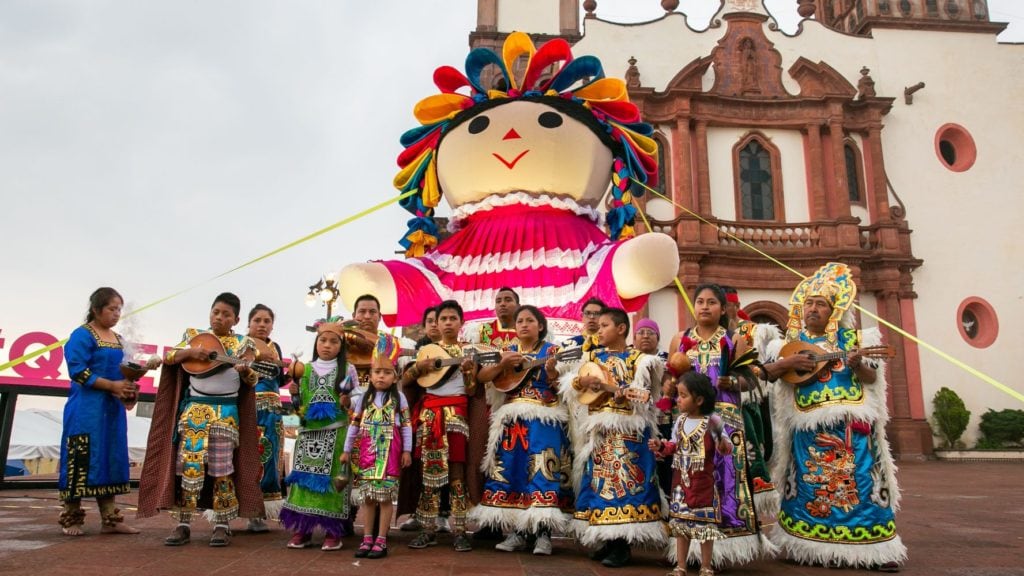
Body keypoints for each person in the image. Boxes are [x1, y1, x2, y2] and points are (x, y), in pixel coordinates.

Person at [760, 262, 905, 571]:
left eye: (821, 304)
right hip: (807, 433)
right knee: (808, 489)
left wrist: (857, 365)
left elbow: (870, 379)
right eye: (809, 303)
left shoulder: (857, 340)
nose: (813, 309)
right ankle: (806, 546)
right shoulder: (787, 347)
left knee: (862, 488)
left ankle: (874, 550)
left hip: (852, 431)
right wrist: (790, 364)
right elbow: (771, 376)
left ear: (834, 310)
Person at [138, 292, 264, 547]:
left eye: (226, 314)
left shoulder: (244, 343)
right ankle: (183, 524)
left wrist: (245, 370)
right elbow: (170, 357)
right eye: (216, 312)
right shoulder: (194, 336)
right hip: (194, 411)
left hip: (225, 415)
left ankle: (222, 525)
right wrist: (192, 352)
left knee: (222, 470)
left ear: (236, 320)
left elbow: (253, 379)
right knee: (188, 467)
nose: (219, 317)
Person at [667, 284, 775, 567]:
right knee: (690, 480)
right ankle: (690, 550)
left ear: (723, 308)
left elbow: (751, 380)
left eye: (711, 302)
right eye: (700, 301)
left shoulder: (734, 339)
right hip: (690, 423)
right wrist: (669, 386)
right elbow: (670, 378)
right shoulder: (680, 339)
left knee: (725, 480)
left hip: (724, 420)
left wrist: (733, 382)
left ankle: (724, 549)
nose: (705, 307)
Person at [471, 305, 574, 556]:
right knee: (513, 471)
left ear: (541, 326)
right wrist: (502, 364)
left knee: (543, 470)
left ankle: (542, 534)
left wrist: (552, 373)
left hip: (544, 420)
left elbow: (566, 388)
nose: (524, 324)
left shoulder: (553, 351)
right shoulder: (508, 351)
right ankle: (517, 531)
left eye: (530, 320)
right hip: (512, 422)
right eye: (520, 321)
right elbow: (483, 377)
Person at [568, 307, 665, 568]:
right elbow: (574, 387)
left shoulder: (640, 360)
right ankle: (608, 540)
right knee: (599, 484)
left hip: (628, 434)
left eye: (604, 326)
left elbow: (646, 397)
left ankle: (622, 544)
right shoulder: (592, 357)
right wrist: (582, 382)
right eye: (598, 326)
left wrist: (623, 396)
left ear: (621, 329)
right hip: (599, 433)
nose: (598, 330)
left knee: (625, 485)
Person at [58, 287, 157, 536]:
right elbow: (78, 371)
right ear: (96, 309)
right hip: (86, 408)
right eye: (112, 309)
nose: (116, 314)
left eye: (119, 309)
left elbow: (123, 371)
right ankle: (72, 517)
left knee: (111, 457)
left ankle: (111, 518)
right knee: (81, 458)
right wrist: (112, 386)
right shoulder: (82, 335)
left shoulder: (119, 339)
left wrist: (130, 386)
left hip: (111, 410)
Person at [404, 300, 478, 552]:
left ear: (461, 322)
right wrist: (418, 367)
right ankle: (428, 529)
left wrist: (468, 373)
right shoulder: (427, 352)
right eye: (443, 319)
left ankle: (460, 531)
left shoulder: (469, 351)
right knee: (429, 474)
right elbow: (406, 380)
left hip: (457, 416)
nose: (447, 323)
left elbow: (472, 391)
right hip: (429, 416)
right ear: (436, 323)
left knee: (457, 473)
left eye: (452, 318)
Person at [280, 319, 358, 551]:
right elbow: (297, 406)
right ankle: (302, 530)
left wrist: (349, 401)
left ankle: (333, 532)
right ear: (316, 343)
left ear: (341, 346)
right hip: (308, 434)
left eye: (333, 341)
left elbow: (358, 398)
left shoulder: (348, 370)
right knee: (303, 482)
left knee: (333, 482)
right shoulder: (303, 369)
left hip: (336, 433)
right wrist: (294, 394)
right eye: (323, 340)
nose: (327, 345)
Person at [650, 372, 733, 576]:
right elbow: (674, 445)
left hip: (704, 482)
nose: (678, 399)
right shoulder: (680, 421)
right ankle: (681, 566)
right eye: (678, 395)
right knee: (681, 526)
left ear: (699, 400)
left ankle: (706, 566)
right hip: (681, 482)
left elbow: (725, 447)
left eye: (683, 395)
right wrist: (661, 446)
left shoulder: (712, 421)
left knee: (705, 528)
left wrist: (722, 443)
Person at [342, 333, 414, 559]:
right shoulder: (364, 398)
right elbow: (354, 425)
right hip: (367, 451)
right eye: (377, 372)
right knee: (368, 497)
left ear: (395, 376)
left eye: (386, 372)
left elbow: (407, 426)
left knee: (385, 497)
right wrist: (346, 450)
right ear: (371, 375)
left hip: (390, 452)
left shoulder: (399, 398)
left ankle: (381, 540)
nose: (381, 376)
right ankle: (367, 538)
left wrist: (407, 450)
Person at [721, 286, 778, 516]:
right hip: (720, 403)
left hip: (750, 400)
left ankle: (752, 509)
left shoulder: (757, 331)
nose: (722, 309)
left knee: (753, 453)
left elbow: (769, 366)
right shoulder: (707, 334)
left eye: (726, 304)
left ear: (736, 306)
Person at [246, 304, 287, 531]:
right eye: (257, 320)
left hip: (273, 412)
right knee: (245, 458)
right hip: (248, 408)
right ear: (249, 323)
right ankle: (236, 510)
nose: (262, 325)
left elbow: (279, 380)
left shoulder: (275, 347)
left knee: (269, 459)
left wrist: (295, 373)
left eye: (267, 321)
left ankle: (259, 512)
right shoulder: (241, 344)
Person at [634, 318, 675, 495]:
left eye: (650, 333)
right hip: (636, 420)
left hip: (663, 418)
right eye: (641, 332)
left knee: (665, 463)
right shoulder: (629, 358)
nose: (645, 336)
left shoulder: (668, 359)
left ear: (658, 337)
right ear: (634, 338)